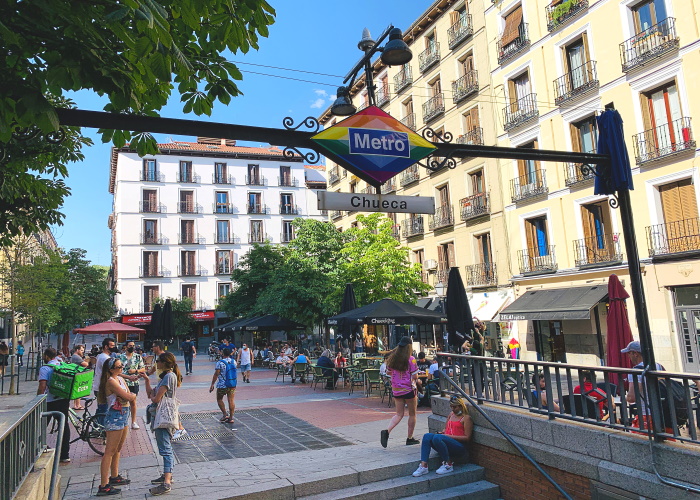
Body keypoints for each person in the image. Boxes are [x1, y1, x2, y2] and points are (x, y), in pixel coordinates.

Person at [141, 352, 182, 496]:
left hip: (163, 417)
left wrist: (153, 396)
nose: (156, 363)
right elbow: (150, 394)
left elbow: (155, 399)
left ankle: (167, 482)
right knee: (165, 447)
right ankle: (167, 474)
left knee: (165, 448)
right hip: (160, 416)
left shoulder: (168, 377)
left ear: (164, 363)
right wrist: (146, 380)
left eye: (158, 360)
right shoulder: (165, 377)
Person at [96, 357, 137, 496]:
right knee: (109, 450)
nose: (121, 369)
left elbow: (127, 396)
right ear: (111, 369)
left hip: (124, 414)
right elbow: (128, 396)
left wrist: (128, 396)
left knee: (118, 448)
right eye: (119, 367)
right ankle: (103, 484)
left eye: (122, 366)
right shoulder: (111, 381)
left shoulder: (120, 378)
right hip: (115, 416)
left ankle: (114, 476)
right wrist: (129, 396)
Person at [412, 395, 473, 477]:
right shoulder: (451, 415)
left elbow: (467, 438)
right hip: (447, 441)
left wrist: (448, 436)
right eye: (451, 407)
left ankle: (448, 464)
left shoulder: (466, 418)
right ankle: (424, 466)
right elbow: (446, 429)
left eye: (455, 407)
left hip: (459, 446)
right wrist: (443, 433)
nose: (453, 409)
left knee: (438, 438)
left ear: (460, 406)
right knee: (427, 436)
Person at [622, 340, 670, 433]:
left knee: (636, 441)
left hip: (646, 415)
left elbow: (632, 398)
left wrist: (625, 397)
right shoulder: (658, 366)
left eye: (629, 353)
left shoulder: (636, 371)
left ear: (635, 353)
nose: (628, 356)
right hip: (664, 414)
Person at [381, 336, 420, 448]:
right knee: (412, 414)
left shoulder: (392, 358)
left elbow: (388, 373)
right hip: (408, 389)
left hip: (396, 390)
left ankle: (387, 431)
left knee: (399, 414)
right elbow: (415, 375)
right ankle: (409, 438)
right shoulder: (411, 359)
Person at [37, 347, 71, 464]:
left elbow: (42, 385)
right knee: (64, 426)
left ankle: (38, 449)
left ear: (46, 356)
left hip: (50, 401)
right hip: (63, 399)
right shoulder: (62, 364)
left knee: (41, 425)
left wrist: (38, 399)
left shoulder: (45, 368)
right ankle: (64, 455)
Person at [120, 341, 145, 430]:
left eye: (133, 346)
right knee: (123, 402)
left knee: (133, 402)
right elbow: (118, 371)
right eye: (130, 346)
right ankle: (123, 420)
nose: (132, 347)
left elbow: (143, 368)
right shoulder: (120, 357)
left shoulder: (138, 356)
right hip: (123, 382)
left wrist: (136, 371)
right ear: (126, 347)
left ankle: (133, 421)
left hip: (134, 382)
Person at [93, 338, 118, 420]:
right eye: (112, 345)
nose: (114, 347)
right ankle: (100, 429)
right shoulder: (105, 358)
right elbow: (112, 371)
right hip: (102, 388)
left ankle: (97, 427)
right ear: (106, 347)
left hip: (100, 387)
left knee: (101, 409)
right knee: (103, 410)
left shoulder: (102, 356)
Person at [210, 347, 237, 424]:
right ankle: (231, 418)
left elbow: (216, 374)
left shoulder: (220, 363)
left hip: (222, 385)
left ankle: (225, 414)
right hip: (232, 384)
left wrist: (212, 384)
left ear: (222, 353)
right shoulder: (233, 362)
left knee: (219, 399)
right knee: (231, 400)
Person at [70, 345, 89, 410]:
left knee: (76, 390)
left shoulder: (74, 356)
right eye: (81, 350)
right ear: (77, 350)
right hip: (77, 375)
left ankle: (76, 405)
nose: (82, 352)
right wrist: (87, 361)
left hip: (76, 374)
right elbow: (85, 364)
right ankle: (77, 405)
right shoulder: (76, 357)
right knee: (78, 390)